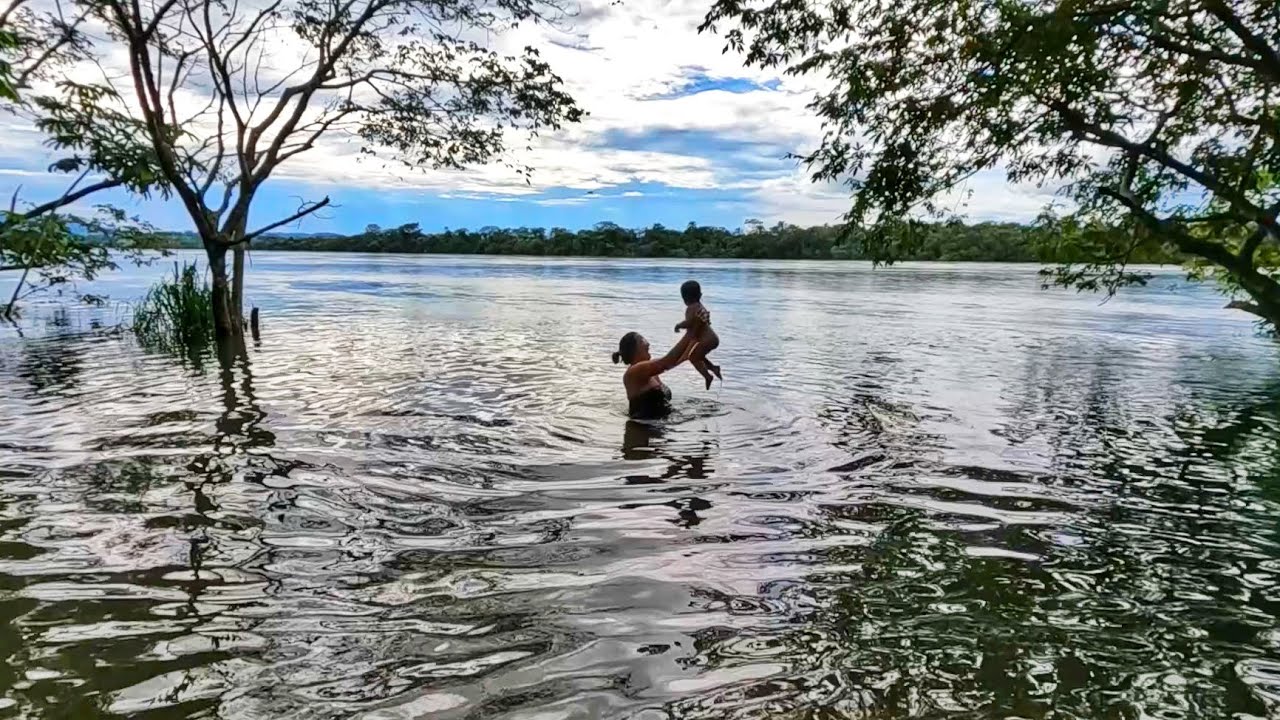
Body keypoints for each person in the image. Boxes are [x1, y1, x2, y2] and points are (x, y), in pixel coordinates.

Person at [612, 330, 699, 419]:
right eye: (642, 340)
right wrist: (690, 333)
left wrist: (696, 336)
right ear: (634, 349)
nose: (648, 344)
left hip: (660, 424)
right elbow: (667, 362)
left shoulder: (651, 373)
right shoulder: (634, 371)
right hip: (642, 426)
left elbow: (681, 358)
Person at [673, 280, 722, 390]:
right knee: (699, 356)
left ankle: (707, 376)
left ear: (684, 298)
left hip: (707, 340)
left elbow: (689, 322)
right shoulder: (699, 306)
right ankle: (714, 368)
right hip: (712, 339)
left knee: (693, 357)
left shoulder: (691, 308)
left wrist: (678, 325)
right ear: (700, 295)